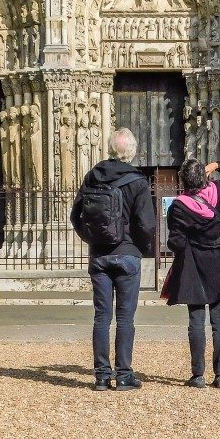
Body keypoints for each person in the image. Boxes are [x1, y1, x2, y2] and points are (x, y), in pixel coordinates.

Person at [70, 129, 156, 392]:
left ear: (109, 148)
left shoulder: (92, 177)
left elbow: (76, 216)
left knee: (101, 317)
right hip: (127, 255)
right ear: (131, 152)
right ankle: (124, 374)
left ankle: (101, 376)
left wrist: (92, 239)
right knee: (125, 318)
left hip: (99, 255)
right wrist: (139, 247)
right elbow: (147, 224)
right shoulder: (138, 182)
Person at [163, 158, 220, 389]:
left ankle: (198, 375)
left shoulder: (179, 206)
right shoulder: (218, 191)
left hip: (193, 265)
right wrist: (216, 165)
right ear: (205, 177)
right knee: (219, 321)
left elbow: (175, 242)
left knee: (196, 321)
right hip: (218, 262)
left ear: (183, 181)